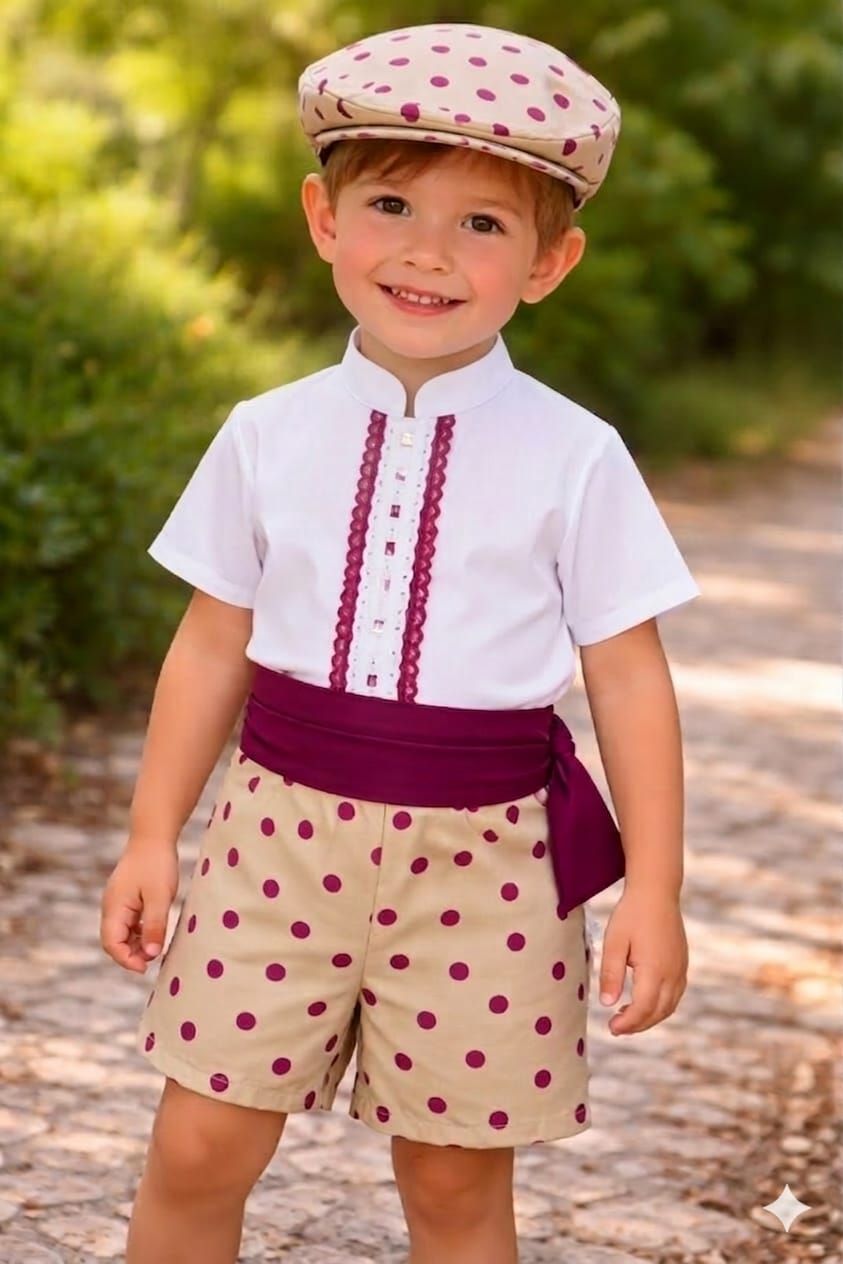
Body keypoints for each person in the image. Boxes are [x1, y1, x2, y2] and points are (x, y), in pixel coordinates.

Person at [101, 21, 701, 1264]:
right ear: (324, 220)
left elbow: (629, 677)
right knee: (199, 1141)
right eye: (390, 205)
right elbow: (210, 644)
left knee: (452, 1178)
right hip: (275, 839)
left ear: (550, 262)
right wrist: (154, 831)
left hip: (489, 863)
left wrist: (656, 885)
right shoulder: (266, 432)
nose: (428, 252)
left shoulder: (576, 455)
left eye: (483, 223)